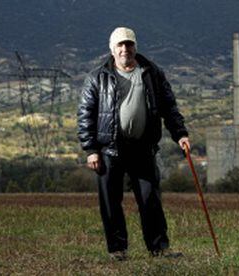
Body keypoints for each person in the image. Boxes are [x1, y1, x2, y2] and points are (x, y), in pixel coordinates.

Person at [77, 27, 190, 260]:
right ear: (112, 49)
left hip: (143, 148)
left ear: (135, 47)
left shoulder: (151, 73)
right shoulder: (97, 77)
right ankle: (118, 250)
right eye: (120, 45)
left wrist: (180, 134)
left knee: (150, 199)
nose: (124, 49)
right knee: (111, 202)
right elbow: (85, 115)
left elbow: (169, 107)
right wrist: (91, 150)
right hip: (109, 150)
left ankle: (159, 247)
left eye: (128, 44)